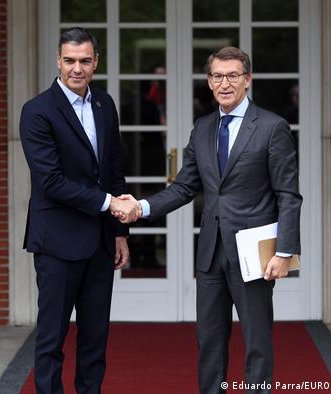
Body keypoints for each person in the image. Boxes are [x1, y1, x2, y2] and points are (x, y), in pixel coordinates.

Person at [113, 46, 302, 393]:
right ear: (209, 82)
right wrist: (141, 207)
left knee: (257, 343)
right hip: (210, 252)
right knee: (210, 343)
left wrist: (285, 250)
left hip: (254, 254)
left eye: (232, 75)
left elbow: (288, 195)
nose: (224, 83)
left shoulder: (273, 127)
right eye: (217, 76)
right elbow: (185, 186)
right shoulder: (203, 128)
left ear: (247, 80)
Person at [19, 27, 134, 394]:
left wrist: (119, 232)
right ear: (58, 60)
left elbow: (114, 168)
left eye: (85, 60)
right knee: (51, 340)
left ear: (96, 62)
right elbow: (50, 181)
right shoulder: (37, 111)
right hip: (57, 243)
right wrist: (108, 204)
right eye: (69, 60)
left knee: (95, 340)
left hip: (100, 242)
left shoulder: (105, 104)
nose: (77, 68)